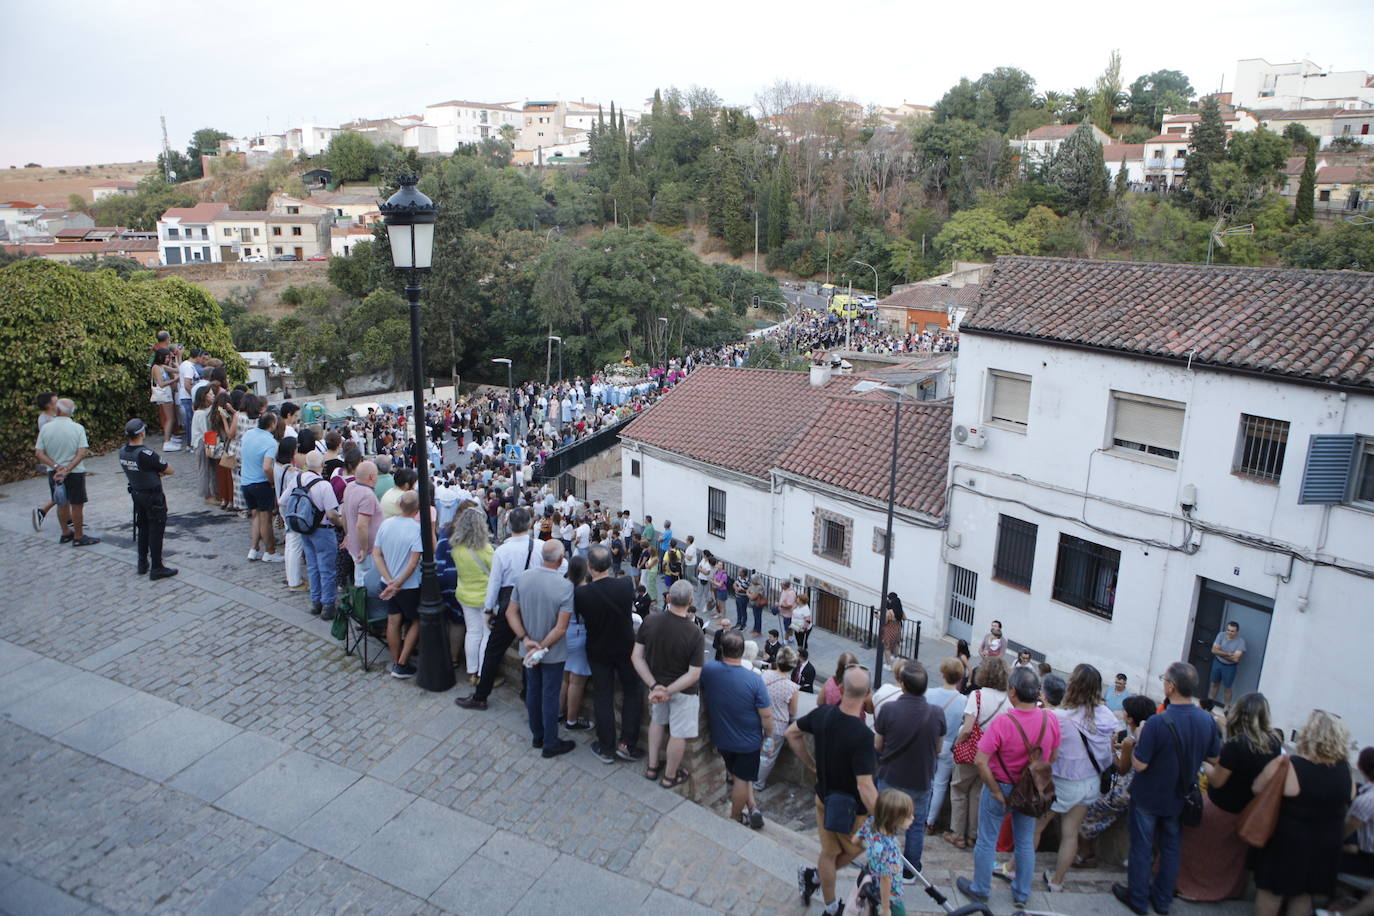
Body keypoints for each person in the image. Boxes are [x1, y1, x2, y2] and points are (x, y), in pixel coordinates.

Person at [1112, 662, 1221, 916]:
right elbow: (1214, 758)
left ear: (1170, 687)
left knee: (1142, 847)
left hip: (1149, 796)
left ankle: (1138, 899)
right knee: (1171, 848)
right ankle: (1162, 901)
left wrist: (1136, 741)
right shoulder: (1207, 720)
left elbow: (1139, 764)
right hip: (1179, 795)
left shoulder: (1158, 723)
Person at [956, 667, 1062, 911]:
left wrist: (994, 790)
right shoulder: (1050, 719)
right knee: (1024, 841)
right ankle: (1022, 893)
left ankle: (981, 889)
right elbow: (1053, 756)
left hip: (1001, 785)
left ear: (1013, 692)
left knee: (987, 840)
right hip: (1031, 789)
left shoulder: (1004, 722)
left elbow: (981, 760)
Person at [790, 665, 879, 916]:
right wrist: (885, 820)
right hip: (854, 810)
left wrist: (810, 765)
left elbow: (791, 733)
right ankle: (817, 880)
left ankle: (827, 903)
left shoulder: (823, 714)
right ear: (868, 694)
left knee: (829, 854)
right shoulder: (863, 736)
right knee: (857, 849)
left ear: (841, 688)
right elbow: (865, 786)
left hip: (824, 799)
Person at [1176, 692, 1283, 902]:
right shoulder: (1274, 743)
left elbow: (1217, 781)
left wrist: (1206, 764)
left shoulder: (1237, 745)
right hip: (1247, 809)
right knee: (1230, 858)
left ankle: (1190, 887)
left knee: (1191, 844)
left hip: (1221, 807)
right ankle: (1225, 890)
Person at [1251, 710, 1355, 916]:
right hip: (1325, 845)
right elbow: (1349, 797)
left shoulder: (1289, 765)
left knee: (1271, 893)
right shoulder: (1346, 771)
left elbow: (1257, 788)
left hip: (1288, 843)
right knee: (1304, 895)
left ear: (1308, 734)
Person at [1040, 664, 1117, 893]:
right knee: (1071, 833)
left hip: (1064, 783)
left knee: (1035, 828)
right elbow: (1109, 753)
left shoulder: (1060, 716)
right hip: (1091, 783)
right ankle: (1057, 882)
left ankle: (1013, 868)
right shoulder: (1107, 716)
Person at [874, 660, 946, 874]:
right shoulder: (937, 713)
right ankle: (911, 870)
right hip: (920, 778)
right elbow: (938, 749)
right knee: (915, 825)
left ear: (903, 685)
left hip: (891, 776)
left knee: (885, 822)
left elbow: (878, 744)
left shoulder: (888, 709)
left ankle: (883, 863)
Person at [508, 539, 577, 759]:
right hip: (552, 652)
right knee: (549, 695)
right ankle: (550, 741)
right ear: (560, 559)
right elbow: (561, 627)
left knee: (533, 690)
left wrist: (526, 639)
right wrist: (541, 647)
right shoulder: (565, 587)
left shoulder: (523, 578)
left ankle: (537, 734)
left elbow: (511, 612)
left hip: (528, 649)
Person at [633, 580, 704, 788]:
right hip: (683, 691)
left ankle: (652, 767)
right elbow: (694, 674)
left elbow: (637, 657)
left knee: (657, 723)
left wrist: (655, 687)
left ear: (668, 598)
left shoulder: (650, 621)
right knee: (678, 734)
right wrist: (668, 691)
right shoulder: (694, 633)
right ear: (690, 602)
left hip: (656, 684)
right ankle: (670, 776)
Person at [700, 629, 773, 828]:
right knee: (742, 777)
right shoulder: (755, 680)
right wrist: (769, 735)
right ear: (742, 652)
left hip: (722, 738)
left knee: (737, 773)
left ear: (722, 650)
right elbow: (766, 715)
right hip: (747, 742)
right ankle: (735, 818)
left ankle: (752, 806)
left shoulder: (710, 670)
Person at [578, 544, 642, 763]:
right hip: (625, 647)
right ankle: (627, 745)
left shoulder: (582, 594)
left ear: (590, 566)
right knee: (632, 691)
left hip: (598, 649)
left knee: (603, 694)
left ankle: (606, 747)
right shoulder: (625, 585)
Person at [1078, 694, 1157, 869]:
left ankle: (1086, 854)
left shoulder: (1130, 741)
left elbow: (1122, 768)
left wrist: (1112, 748)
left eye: (1125, 712)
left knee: (1085, 811)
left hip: (1124, 792)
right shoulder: (1149, 735)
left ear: (1130, 718)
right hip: (1143, 790)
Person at [945, 657, 1009, 851]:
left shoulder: (977, 695)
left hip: (971, 749)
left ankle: (957, 834)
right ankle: (973, 835)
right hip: (991, 755)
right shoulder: (1008, 700)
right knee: (976, 794)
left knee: (958, 788)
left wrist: (958, 744)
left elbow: (967, 728)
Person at [372, 491, 425, 679]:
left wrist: (389, 580)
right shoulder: (417, 529)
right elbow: (413, 563)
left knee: (393, 621)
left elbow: (376, 554)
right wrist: (397, 583)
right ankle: (402, 662)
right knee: (417, 620)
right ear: (417, 509)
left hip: (388, 582)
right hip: (408, 585)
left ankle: (396, 660)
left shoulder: (386, 524)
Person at [117, 419, 177, 580]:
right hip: (152, 495)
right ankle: (157, 567)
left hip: (137, 493)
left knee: (143, 528)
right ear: (142, 433)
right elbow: (169, 469)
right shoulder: (146, 454)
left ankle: (142, 562)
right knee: (156, 529)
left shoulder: (123, 451)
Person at [34, 398, 98, 546]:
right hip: (75, 472)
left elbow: (39, 453)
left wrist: (56, 466)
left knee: (61, 502)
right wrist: (67, 469)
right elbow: (81, 452)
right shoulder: (78, 428)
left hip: (54, 472)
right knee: (77, 504)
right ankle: (78, 535)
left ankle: (65, 533)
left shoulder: (46, 428)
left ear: (57, 410)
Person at [449, 507, 494, 686]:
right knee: (486, 634)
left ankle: (472, 672)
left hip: (465, 595)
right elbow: (495, 571)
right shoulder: (485, 549)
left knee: (472, 633)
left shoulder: (456, 548)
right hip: (484, 597)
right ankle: (483, 674)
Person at [925, 658, 968, 837]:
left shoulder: (929, 693)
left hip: (929, 741)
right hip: (950, 744)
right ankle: (930, 822)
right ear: (959, 678)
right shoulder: (964, 700)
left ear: (942, 673)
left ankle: (918, 816)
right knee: (941, 785)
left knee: (926, 782)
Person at [857, 789, 916, 916]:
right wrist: (885, 908)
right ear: (894, 819)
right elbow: (886, 879)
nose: (913, 818)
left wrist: (871, 850)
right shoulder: (890, 851)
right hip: (892, 897)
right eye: (909, 816)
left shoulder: (871, 822)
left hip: (872, 883)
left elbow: (856, 839)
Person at [298, 451, 342, 617]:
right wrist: (341, 523)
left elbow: (284, 501)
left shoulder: (298, 479)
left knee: (312, 566)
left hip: (305, 528)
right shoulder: (324, 485)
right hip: (323, 530)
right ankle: (328, 605)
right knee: (327, 569)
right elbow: (331, 514)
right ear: (322, 465)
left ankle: (315, 601)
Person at [1333, 747, 1374, 916]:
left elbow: (1342, 834)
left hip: (1369, 860)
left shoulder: (1366, 800)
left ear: (1359, 766)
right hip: (1367, 855)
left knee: (1318, 856)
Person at [756, 646, 801, 791]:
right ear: (792, 666)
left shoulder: (765, 675)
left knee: (755, 751)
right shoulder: (792, 687)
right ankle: (758, 784)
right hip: (777, 728)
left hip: (758, 720)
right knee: (767, 757)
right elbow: (793, 711)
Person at [239, 412, 281, 563]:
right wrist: (272, 482)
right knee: (266, 519)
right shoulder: (271, 442)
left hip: (245, 482)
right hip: (261, 483)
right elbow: (267, 467)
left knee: (255, 516)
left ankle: (253, 548)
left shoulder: (248, 434)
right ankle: (270, 551)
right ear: (272, 425)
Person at [559, 555, 592, 731]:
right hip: (579, 635)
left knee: (565, 678)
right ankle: (571, 721)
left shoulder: (562, 586)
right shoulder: (585, 591)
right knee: (577, 682)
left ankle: (558, 712)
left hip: (564, 633)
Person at [273, 437, 305, 591]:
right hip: (290, 508)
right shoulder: (291, 472)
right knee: (295, 544)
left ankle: (292, 577)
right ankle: (294, 580)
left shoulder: (277, 465)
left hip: (282, 505)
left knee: (290, 542)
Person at [1208, 621, 1246, 707]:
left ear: (1237, 632)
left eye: (1232, 631)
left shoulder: (1241, 642)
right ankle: (1209, 704)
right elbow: (1213, 650)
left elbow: (1236, 659)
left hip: (1230, 667)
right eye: (1228, 630)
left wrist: (1220, 652)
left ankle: (1226, 708)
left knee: (1227, 687)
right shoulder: (1221, 635)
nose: (1229, 632)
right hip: (1217, 663)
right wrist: (1229, 654)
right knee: (1214, 683)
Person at [149, 348, 179, 449]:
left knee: (171, 418)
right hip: (164, 394)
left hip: (167, 394)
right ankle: (167, 442)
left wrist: (175, 360)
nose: (167, 359)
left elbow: (177, 370)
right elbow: (161, 384)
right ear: (160, 357)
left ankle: (169, 438)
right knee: (170, 418)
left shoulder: (162, 366)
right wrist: (174, 380)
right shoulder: (157, 367)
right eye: (166, 357)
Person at [881, 593, 904, 659]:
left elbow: (885, 621)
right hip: (898, 628)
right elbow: (905, 618)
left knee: (887, 647)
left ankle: (888, 664)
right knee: (896, 644)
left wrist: (878, 617)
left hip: (890, 629)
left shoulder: (890, 612)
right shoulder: (901, 611)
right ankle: (896, 659)